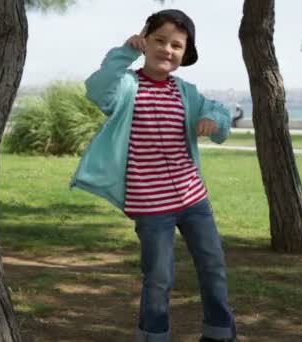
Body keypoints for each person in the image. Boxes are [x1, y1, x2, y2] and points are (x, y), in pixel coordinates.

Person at [70, 9, 238, 342]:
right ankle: (153, 335)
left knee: (213, 267)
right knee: (159, 276)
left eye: (176, 45)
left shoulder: (186, 91)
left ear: (184, 54)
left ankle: (220, 334)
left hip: (194, 200)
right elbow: (97, 87)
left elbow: (217, 112)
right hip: (150, 205)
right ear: (144, 41)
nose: (167, 50)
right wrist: (124, 53)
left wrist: (213, 122)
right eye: (159, 41)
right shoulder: (127, 87)